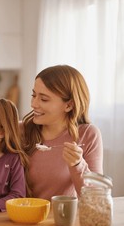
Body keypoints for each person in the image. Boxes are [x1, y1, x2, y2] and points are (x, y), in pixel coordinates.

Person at [21, 65, 103, 199]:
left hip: (63, 218)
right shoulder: (20, 131)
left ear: (69, 105)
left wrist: (77, 165)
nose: (33, 104)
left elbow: (95, 197)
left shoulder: (88, 135)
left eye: (44, 99)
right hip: (20, 215)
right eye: (33, 95)